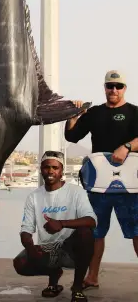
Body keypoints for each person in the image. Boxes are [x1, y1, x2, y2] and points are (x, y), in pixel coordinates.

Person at [65, 70, 138, 289]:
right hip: (99, 185)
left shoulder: (134, 112)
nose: (113, 90)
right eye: (109, 86)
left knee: (137, 231)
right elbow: (72, 136)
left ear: (124, 88)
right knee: (94, 232)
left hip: (130, 186)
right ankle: (92, 276)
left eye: (118, 86)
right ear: (104, 88)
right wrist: (74, 114)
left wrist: (126, 147)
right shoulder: (95, 112)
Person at [13, 151, 96, 302]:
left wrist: (62, 224)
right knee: (20, 263)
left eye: (55, 167)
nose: (50, 171)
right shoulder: (33, 197)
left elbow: (91, 221)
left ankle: (77, 288)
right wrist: (31, 249)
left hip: (71, 248)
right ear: (41, 170)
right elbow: (26, 230)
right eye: (46, 167)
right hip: (50, 248)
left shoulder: (76, 192)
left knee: (86, 233)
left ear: (61, 170)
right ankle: (54, 280)